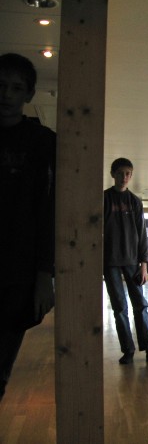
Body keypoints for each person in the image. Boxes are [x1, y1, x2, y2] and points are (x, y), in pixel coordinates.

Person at [0, 53, 56, 401]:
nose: (6, 94)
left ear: (28, 94)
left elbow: (47, 210)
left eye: (16, 88)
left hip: (18, 270)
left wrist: (44, 275)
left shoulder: (41, 142)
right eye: (1, 85)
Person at [104, 157, 148, 364]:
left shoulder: (135, 202)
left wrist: (144, 264)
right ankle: (128, 350)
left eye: (128, 174)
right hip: (110, 262)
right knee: (119, 307)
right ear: (113, 174)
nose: (124, 177)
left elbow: (142, 235)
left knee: (140, 305)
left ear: (131, 176)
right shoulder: (103, 199)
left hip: (133, 261)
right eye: (120, 173)